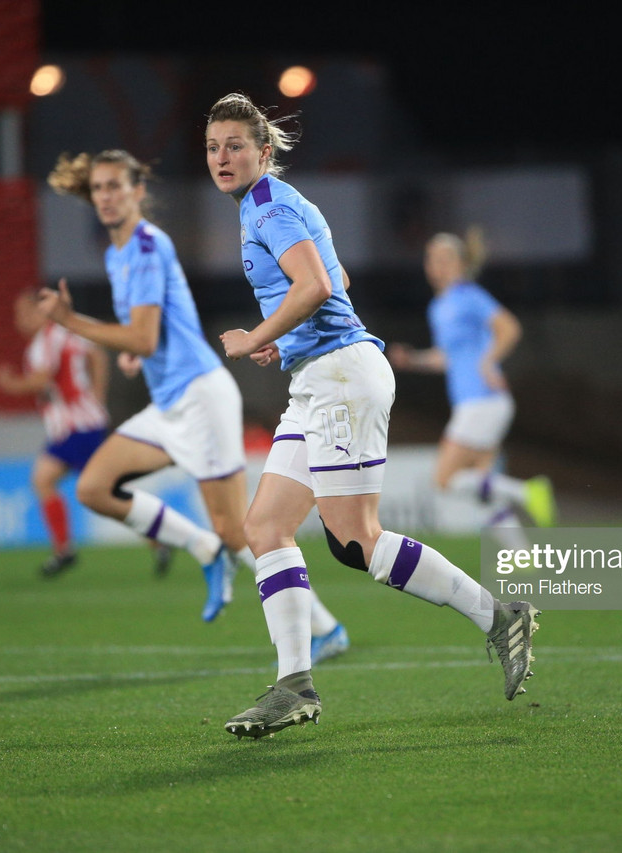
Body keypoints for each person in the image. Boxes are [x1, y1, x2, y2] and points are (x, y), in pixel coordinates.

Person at [206, 92, 539, 739]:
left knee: (357, 539)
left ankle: (499, 617)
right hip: (318, 375)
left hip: (341, 377)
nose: (222, 156)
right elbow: (339, 282)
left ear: (263, 152)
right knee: (266, 526)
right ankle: (294, 682)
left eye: (235, 145)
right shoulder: (273, 206)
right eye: (214, 146)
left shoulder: (268, 206)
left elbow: (318, 287)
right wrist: (287, 336)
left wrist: (254, 336)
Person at [41, 149, 348, 648]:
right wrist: (136, 355)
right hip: (169, 400)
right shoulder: (117, 253)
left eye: (116, 185)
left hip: (201, 397)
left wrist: (72, 322)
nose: (106, 196)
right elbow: (149, 334)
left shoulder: (144, 246)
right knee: (94, 487)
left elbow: (141, 335)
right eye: (98, 188)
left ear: (138, 191)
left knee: (238, 531)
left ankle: (325, 628)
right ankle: (202, 548)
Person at [388, 228, 557, 549]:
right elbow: (445, 359)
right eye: (430, 259)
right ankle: (522, 557)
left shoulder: (468, 296)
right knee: (485, 491)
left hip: (482, 401)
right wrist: (411, 360)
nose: (435, 265)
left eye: (443, 258)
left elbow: (509, 328)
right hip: (480, 403)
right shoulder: (439, 307)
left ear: (459, 264)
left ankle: (528, 492)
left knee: (443, 480)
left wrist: (488, 361)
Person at [0, 289, 118, 578]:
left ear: (41, 311)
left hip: (77, 427)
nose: (19, 320)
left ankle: (65, 550)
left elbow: (40, 379)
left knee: (89, 489)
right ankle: (65, 551)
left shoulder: (47, 340)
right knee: (91, 489)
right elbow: (98, 354)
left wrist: (9, 384)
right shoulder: (65, 332)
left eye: (25, 313)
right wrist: (98, 395)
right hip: (80, 425)